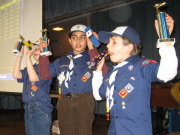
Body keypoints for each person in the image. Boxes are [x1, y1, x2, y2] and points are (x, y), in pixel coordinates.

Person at [92, 14, 178, 135]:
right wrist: (97, 71)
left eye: (114, 42)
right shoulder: (112, 72)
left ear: (129, 47)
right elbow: (98, 96)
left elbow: (168, 73)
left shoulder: (141, 65)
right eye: (109, 42)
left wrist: (164, 40)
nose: (108, 46)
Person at [38, 24, 108, 135]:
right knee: (66, 131)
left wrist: (92, 49)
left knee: (84, 132)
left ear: (87, 40)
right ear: (69, 40)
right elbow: (45, 75)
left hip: (85, 101)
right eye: (74, 37)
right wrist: (43, 54)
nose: (78, 41)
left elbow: (104, 73)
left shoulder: (92, 57)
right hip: (65, 101)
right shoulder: (61, 61)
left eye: (82, 37)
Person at [12, 43, 53, 135]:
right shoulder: (29, 68)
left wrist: (27, 56)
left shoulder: (48, 68)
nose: (35, 51)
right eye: (34, 49)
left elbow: (33, 78)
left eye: (39, 49)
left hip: (41, 108)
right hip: (28, 108)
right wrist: (19, 56)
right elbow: (16, 75)